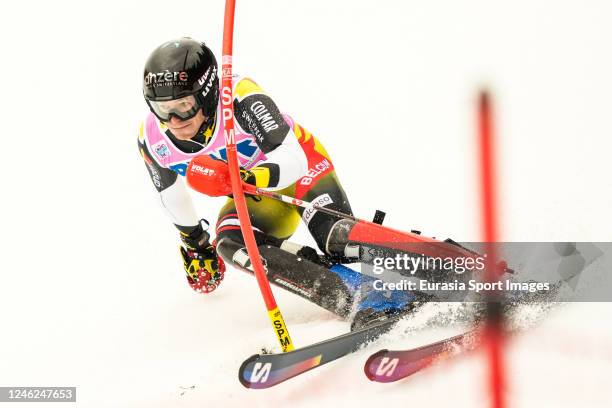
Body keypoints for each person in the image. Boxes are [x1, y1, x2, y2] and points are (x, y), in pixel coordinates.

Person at [138, 38, 359, 302]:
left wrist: (246, 177)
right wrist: (196, 244)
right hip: (257, 196)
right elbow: (171, 195)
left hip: (302, 173)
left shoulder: (238, 96)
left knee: (339, 241)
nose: (173, 121)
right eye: (163, 109)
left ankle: (408, 260)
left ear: (207, 94)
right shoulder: (152, 139)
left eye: (185, 106)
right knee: (231, 244)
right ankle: (347, 293)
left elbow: (293, 158)